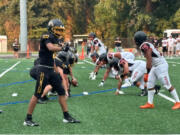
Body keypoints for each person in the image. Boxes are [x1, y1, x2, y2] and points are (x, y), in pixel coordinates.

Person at [23, 19, 80, 127]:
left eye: (60, 30)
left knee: (61, 92)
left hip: (51, 69)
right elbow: (50, 48)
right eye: (57, 29)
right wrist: (62, 47)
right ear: (51, 29)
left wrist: (56, 70)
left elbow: (53, 56)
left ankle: (66, 116)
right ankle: (28, 119)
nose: (59, 32)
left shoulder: (55, 38)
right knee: (37, 94)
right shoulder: (46, 36)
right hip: (43, 69)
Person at [134, 31, 180, 110]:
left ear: (138, 39)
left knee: (166, 85)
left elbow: (149, 59)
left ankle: (178, 102)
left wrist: (147, 73)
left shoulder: (144, 45)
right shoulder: (146, 44)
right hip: (155, 66)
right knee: (150, 84)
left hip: (160, 66)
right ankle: (150, 103)